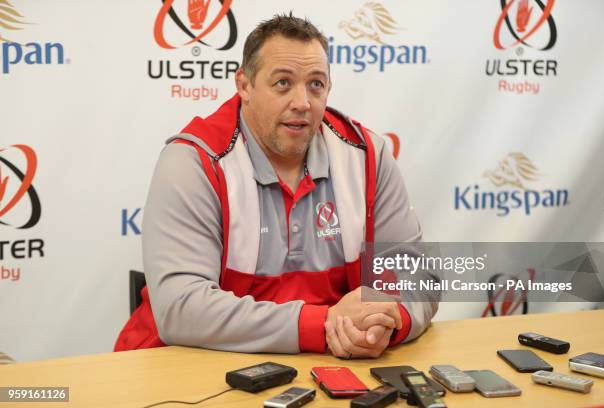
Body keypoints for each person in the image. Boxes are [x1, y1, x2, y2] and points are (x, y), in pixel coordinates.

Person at [115, 14, 438, 359]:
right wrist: (325, 325)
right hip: (186, 369)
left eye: (316, 84)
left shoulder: (367, 156)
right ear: (244, 85)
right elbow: (181, 308)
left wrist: (386, 322)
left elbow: (418, 278)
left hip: (326, 366)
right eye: (283, 83)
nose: (302, 102)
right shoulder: (194, 161)